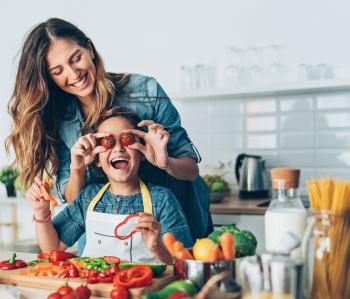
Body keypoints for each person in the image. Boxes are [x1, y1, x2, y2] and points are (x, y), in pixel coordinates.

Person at [6, 18, 212, 240]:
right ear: (49, 78)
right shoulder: (59, 118)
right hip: (105, 232)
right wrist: (78, 169)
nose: (74, 74)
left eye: (76, 59)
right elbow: (74, 200)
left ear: (90, 49)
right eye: (58, 71)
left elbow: (191, 170)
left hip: (170, 226)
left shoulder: (146, 91)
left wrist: (166, 163)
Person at [25, 109, 193, 263]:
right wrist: (41, 212)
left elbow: (183, 263)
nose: (118, 148)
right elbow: (52, 248)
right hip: (93, 291)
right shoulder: (88, 197)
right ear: (97, 159)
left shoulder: (163, 199)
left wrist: (158, 247)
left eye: (127, 140)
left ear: (142, 152)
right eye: (108, 142)